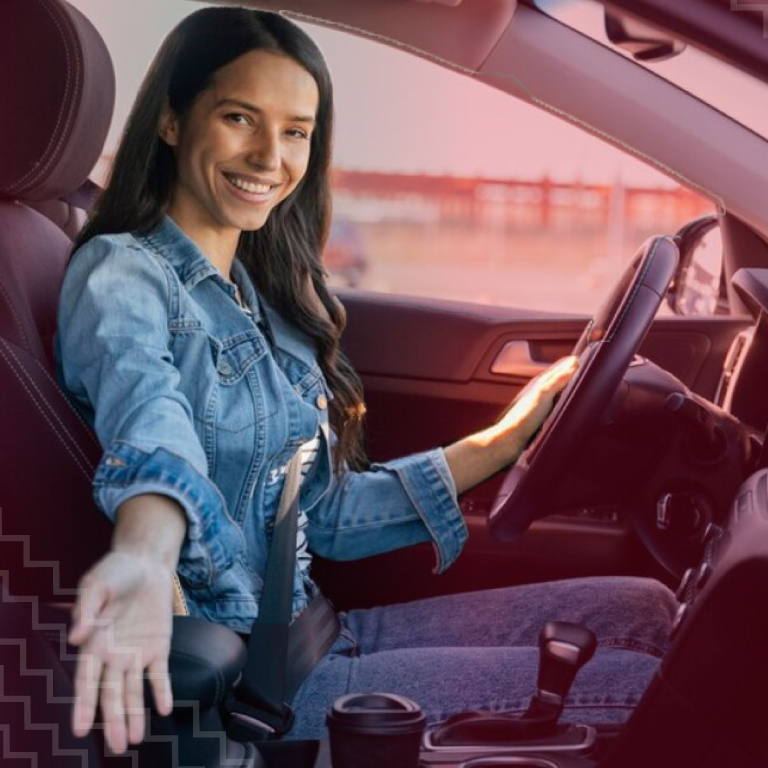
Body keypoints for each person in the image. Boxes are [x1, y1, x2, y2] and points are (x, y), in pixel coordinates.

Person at [57, 7, 677, 752]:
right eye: (238, 118)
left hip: (314, 631)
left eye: (295, 131)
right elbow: (149, 421)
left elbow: (330, 514)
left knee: (648, 610)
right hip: (257, 688)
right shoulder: (123, 272)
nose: (269, 157)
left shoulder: (264, 300)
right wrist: (145, 553)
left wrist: (508, 438)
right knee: (656, 688)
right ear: (170, 122)